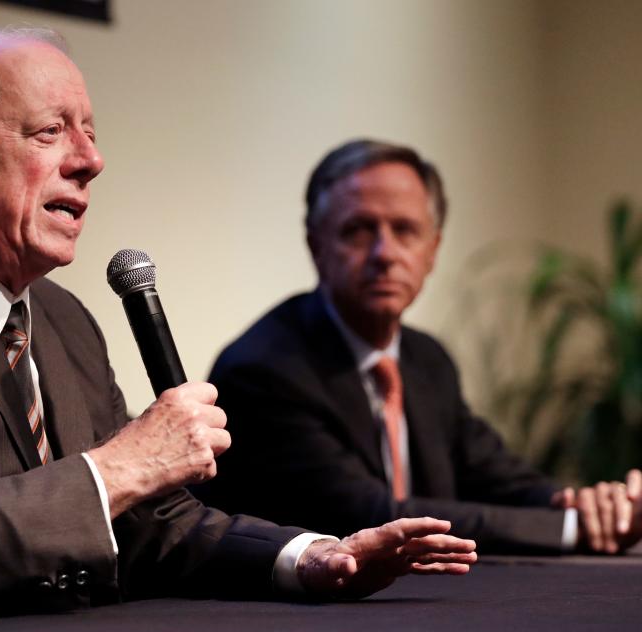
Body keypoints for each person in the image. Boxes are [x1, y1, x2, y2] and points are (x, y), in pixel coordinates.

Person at [0, 33, 476, 632]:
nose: (91, 161)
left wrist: (311, 556)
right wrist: (117, 468)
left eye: (89, 132)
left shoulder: (64, 318)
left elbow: (151, 524)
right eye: (51, 132)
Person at [196, 138, 642, 555]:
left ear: (432, 250)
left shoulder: (426, 359)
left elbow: (495, 476)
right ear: (316, 246)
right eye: (358, 230)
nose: (384, 253)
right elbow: (369, 517)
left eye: (405, 229)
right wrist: (571, 529)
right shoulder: (263, 369)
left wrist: (584, 504)